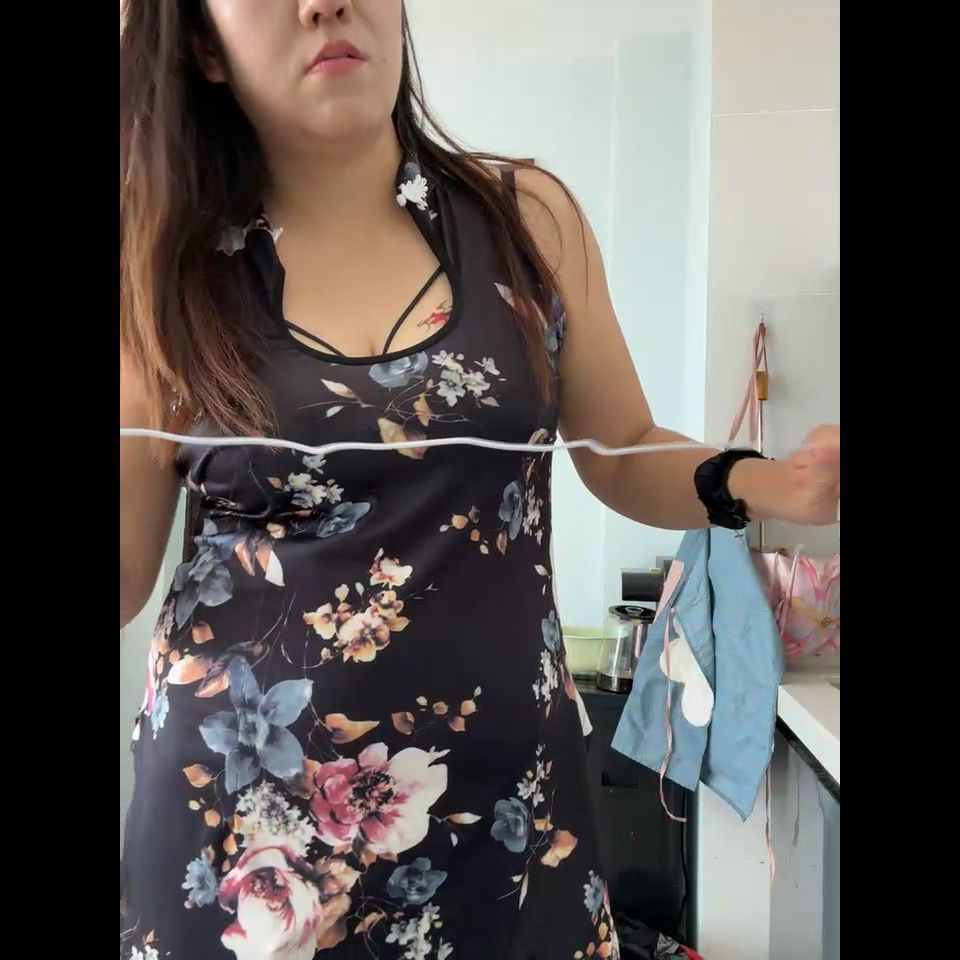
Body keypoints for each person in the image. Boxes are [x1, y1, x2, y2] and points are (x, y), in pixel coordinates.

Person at [119, 2, 841, 958]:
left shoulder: (525, 221)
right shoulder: (154, 269)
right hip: (243, 849)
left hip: (506, 823)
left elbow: (622, 447)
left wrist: (770, 485)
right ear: (203, 47)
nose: (322, 3)